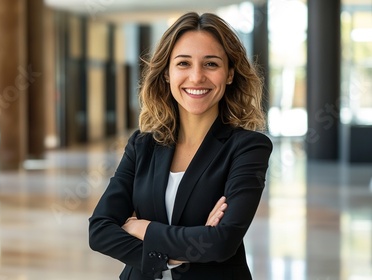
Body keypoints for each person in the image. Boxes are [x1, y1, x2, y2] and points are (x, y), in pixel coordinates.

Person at [88, 12, 272, 280]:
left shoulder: (248, 147)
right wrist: (173, 255)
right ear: (166, 73)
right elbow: (100, 230)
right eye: (183, 63)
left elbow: (222, 242)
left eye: (211, 64)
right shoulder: (142, 145)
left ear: (230, 73)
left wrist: (144, 227)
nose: (196, 77)